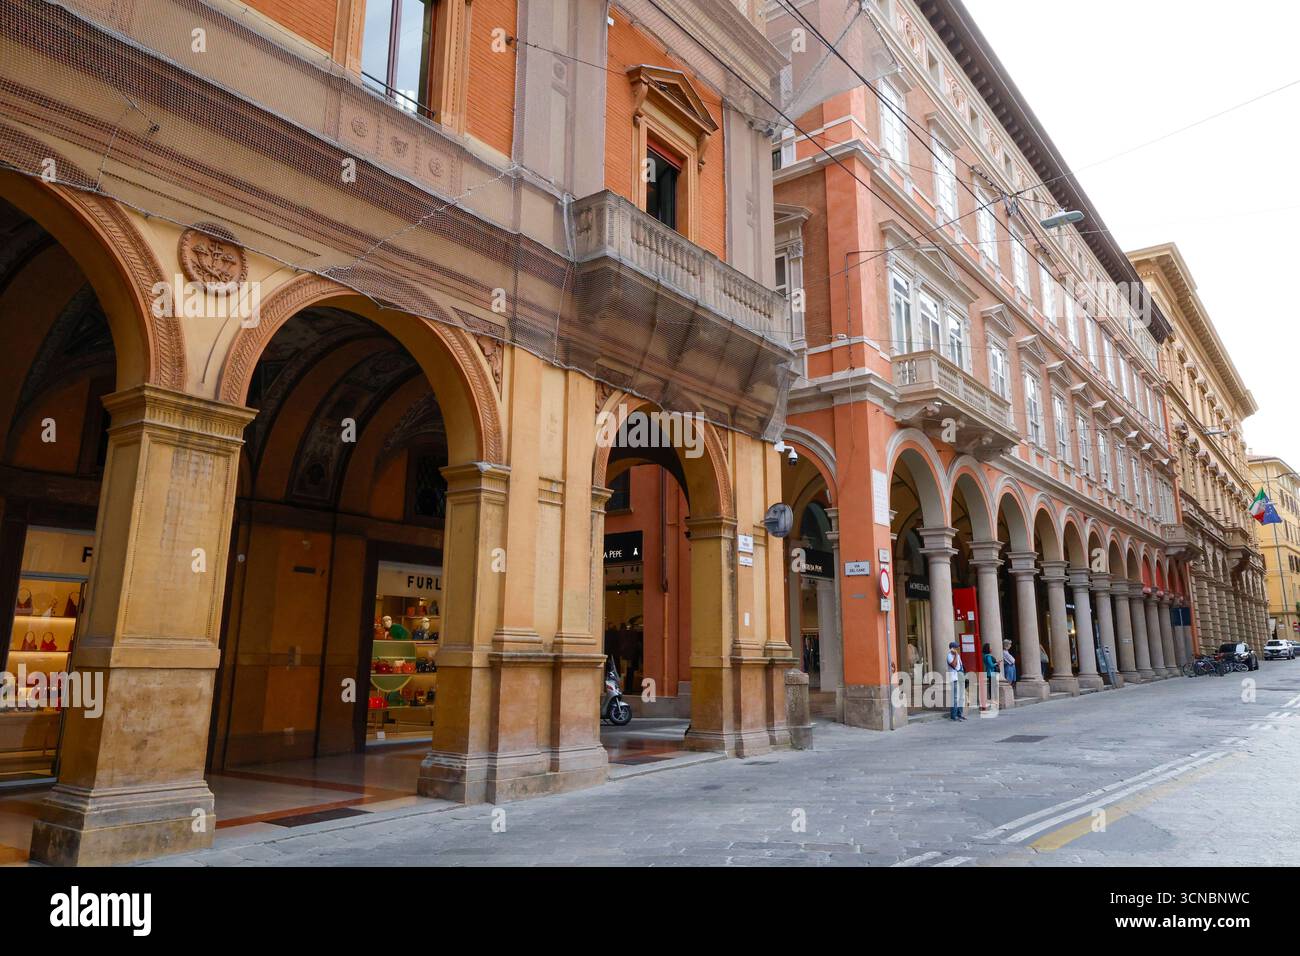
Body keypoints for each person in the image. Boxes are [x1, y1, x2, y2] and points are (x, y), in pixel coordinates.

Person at [946, 641, 966, 721]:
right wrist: (956, 655)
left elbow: (960, 666)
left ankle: (960, 714)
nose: (957, 648)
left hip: (960, 677)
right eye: (956, 647)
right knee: (955, 697)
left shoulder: (958, 656)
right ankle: (954, 716)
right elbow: (953, 665)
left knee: (961, 697)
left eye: (957, 647)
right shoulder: (949, 656)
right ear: (952, 648)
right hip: (954, 678)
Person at [981, 642, 999, 710]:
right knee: (993, 688)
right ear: (988, 649)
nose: (991, 649)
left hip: (989, 672)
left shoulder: (985, 656)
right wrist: (996, 663)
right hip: (991, 672)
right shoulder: (988, 656)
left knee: (991, 687)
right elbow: (991, 665)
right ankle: (993, 702)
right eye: (990, 647)